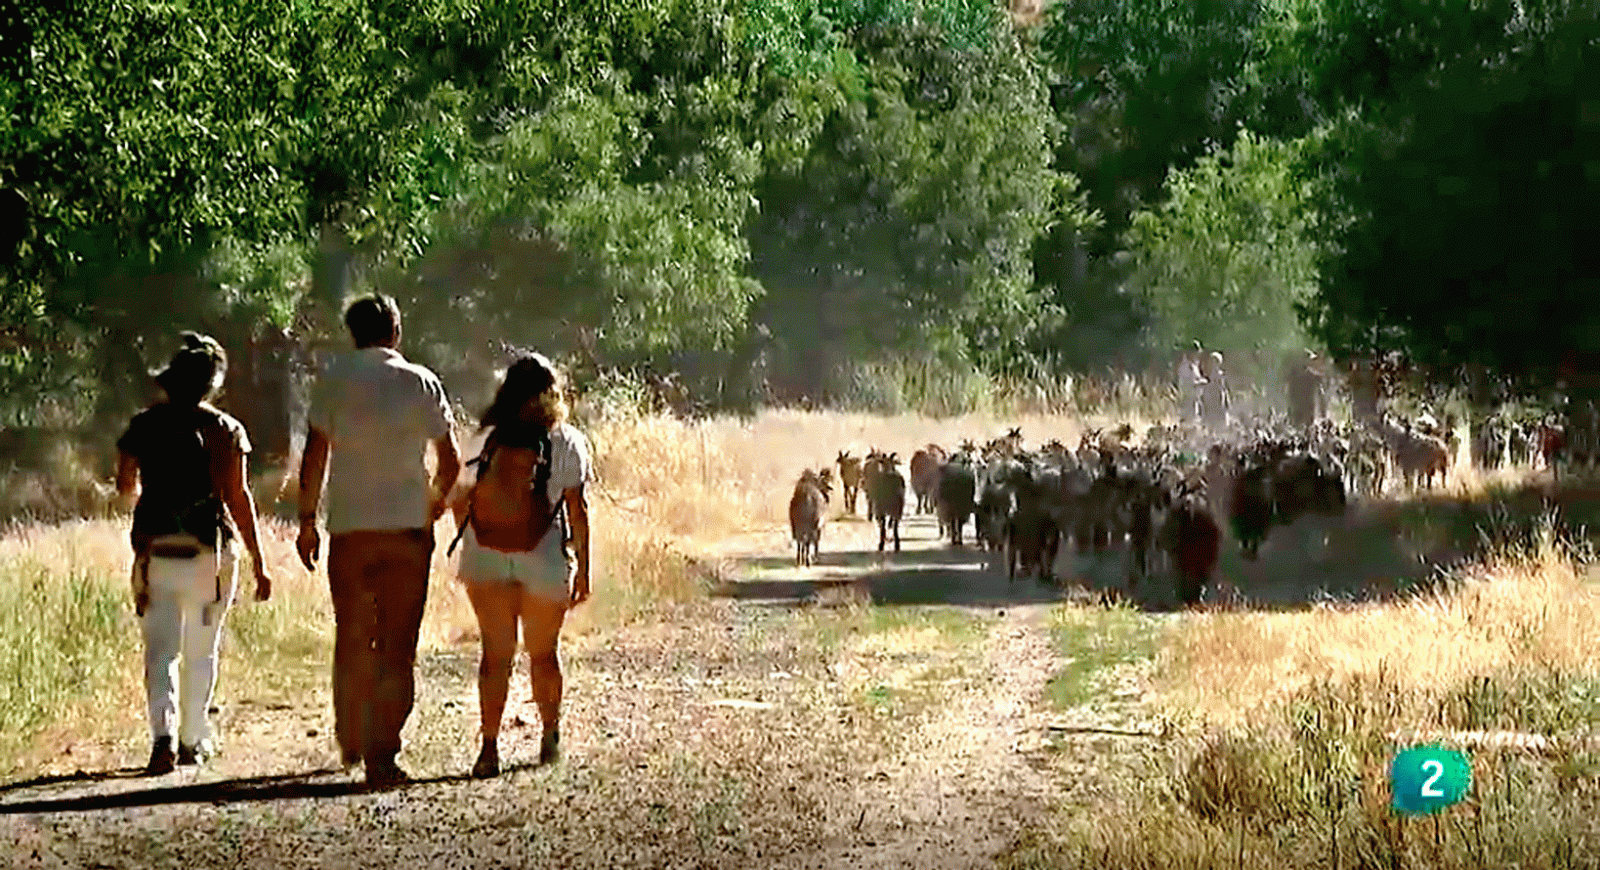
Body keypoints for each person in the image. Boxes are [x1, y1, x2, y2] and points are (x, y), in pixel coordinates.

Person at [296, 294, 461, 786]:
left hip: (350, 528)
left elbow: (314, 455)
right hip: (406, 530)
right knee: (397, 642)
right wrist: (432, 505)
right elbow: (450, 460)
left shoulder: (333, 381)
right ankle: (382, 752)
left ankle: (351, 731)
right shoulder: (420, 381)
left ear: (352, 333)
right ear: (395, 330)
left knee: (352, 633)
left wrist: (307, 519)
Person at [115, 332, 273, 776]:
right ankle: (192, 739)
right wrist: (260, 561)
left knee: (160, 650)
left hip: (157, 549)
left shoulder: (142, 427)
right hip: (211, 549)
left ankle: (161, 739)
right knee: (202, 648)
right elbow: (237, 497)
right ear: (211, 383)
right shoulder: (225, 430)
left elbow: (126, 486)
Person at [449, 354, 592, 778]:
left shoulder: (482, 440)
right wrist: (583, 566)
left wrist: (474, 540)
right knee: (543, 653)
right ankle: (549, 738)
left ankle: (489, 748)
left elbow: (459, 499)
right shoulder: (566, 440)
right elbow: (577, 509)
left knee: (495, 655)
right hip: (543, 561)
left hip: (486, 560)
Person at [1176, 342, 1206, 427]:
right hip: (1188, 399)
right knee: (1189, 423)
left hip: (1195, 399)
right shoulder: (1185, 367)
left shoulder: (1194, 366)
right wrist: (1201, 382)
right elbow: (1187, 383)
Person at [1201, 351, 1231, 431]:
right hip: (1210, 396)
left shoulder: (1220, 374)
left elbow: (1222, 389)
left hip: (1217, 396)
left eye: (1214, 361)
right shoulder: (1208, 374)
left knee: (1219, 418)